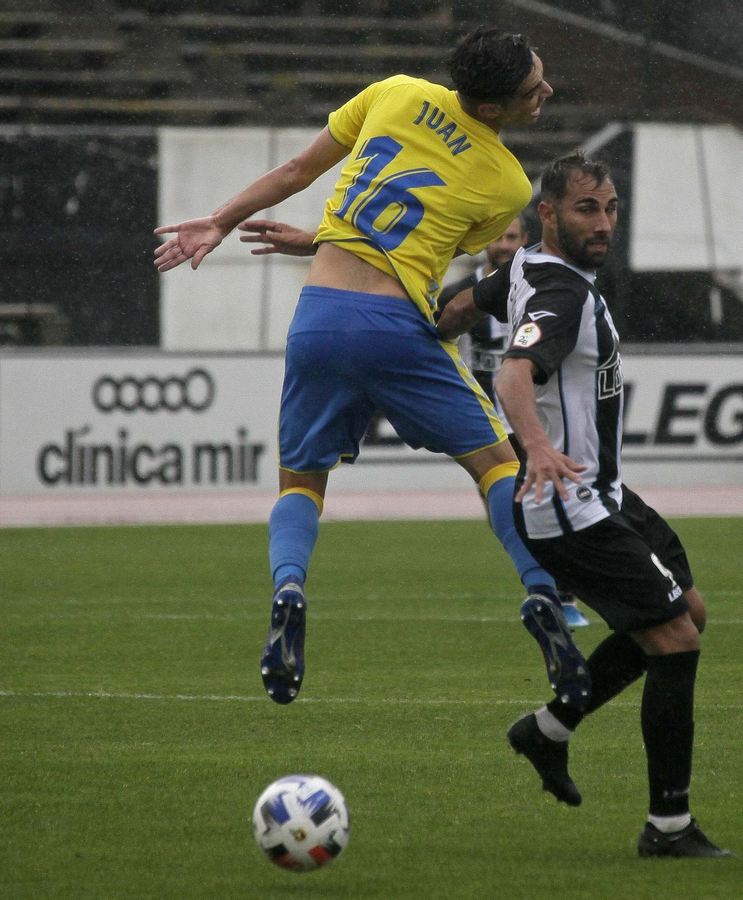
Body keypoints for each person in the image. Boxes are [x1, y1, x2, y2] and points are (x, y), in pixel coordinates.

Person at [152, 27, 590, 712]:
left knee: (301, 481)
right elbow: (427, 245)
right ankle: (543, 595)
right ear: (496, 108)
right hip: (395, 328)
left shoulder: (394, 94)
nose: (548, 93)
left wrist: (218, 220)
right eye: (535, 88)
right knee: (499, 466)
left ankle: (289, 588)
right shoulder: (505, 181)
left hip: (319, 319)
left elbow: (298, 172)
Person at [437, 152, 731, 858]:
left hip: (604, 491)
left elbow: (456, 310)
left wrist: (422, 339)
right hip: (567, 503)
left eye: (610, 209)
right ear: (548, 212)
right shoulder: (559, 296)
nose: (603, 224)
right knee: (675, 642)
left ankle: (548, 729)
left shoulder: (523, 271)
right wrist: (534, 447)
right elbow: (513, 374)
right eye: (586, 210)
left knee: (688, 612)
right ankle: (669, 828)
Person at [440, 211, 591, 629]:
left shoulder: (541, 290)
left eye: (512, 237)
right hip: (484, 419)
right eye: (497, 237)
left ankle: (562, 593)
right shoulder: (459, 294)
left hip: (535, 418)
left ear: (525, 239)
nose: (503, 245)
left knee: (551, 498)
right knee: (504, 505)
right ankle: (547, 587)